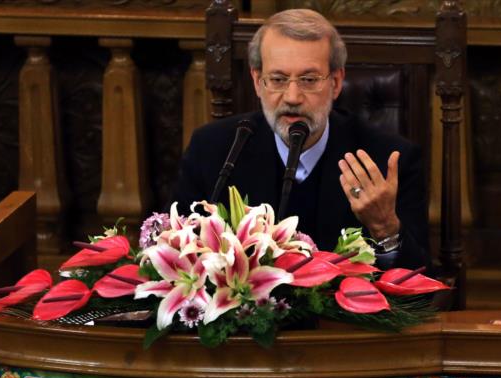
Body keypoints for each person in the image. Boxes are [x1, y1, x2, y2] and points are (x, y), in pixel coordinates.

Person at [172, 8, 429, 269]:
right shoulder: (214, 150)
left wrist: (384, 226)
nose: (292, 97)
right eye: (278, 79)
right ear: (257, 81)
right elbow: (179, 256)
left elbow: (420, 283)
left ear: (336, 82)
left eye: (308, 79)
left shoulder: (387, 161)